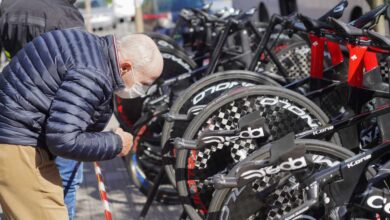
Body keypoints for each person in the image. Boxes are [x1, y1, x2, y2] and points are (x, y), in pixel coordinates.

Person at [0, 29, 163, 220]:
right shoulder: (93, 74)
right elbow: (64, 139)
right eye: (143, 83)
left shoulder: (90, 47)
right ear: (126, 67)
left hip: (15, 132)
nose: (142, 91)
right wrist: (116, 143)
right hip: (17, 143)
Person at [0, 0, 84, 218]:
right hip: (58, 110)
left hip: (16, 109)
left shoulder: (9, 7)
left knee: (23, 184)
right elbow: (80, 71)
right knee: (65, 180)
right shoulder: (67, 16)